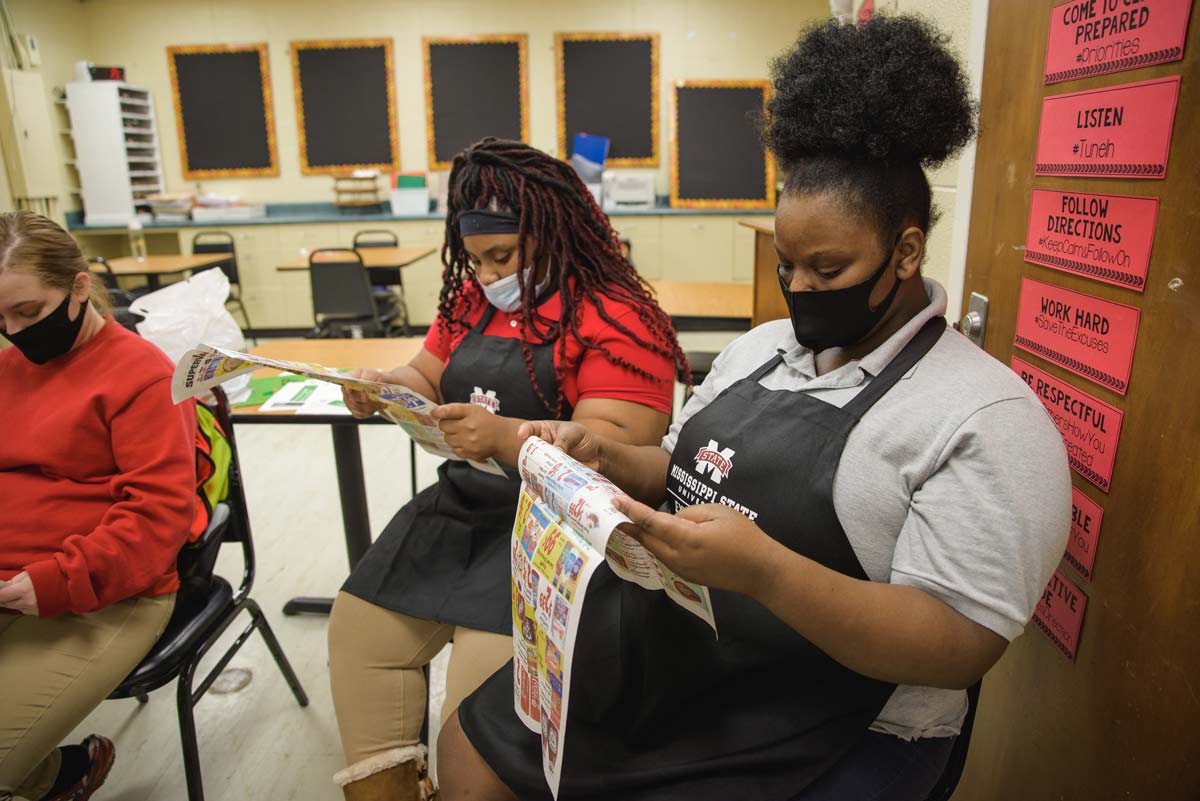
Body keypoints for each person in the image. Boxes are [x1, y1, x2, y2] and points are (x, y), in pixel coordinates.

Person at [439, 17, 1072, 801]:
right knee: (470, 746)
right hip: (689, 647)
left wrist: (767, 572)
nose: (800, 289)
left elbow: (956, 645)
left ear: (906, 252)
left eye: (827, 267)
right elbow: (685, 470)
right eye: (786, 265)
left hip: (832, 714)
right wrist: (605, 456)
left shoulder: (985, 417)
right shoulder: (759, 348)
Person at [327, 139, 688, 800]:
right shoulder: (471, 300)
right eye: (476, 260)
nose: (489, 275)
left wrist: (503, 437)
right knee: (359, 631)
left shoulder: (619, 318)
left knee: (473, 725)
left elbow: (611, 460)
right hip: (464, 510)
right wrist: (386, 384)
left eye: (504, 256)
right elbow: (426, 372)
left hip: (555, 535)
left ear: (557, 234)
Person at [0, 211, 198, 801]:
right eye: (0, 316)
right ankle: (49, 777)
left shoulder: (142, 376)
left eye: (28, 312)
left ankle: (58, 773)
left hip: (103, 596)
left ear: (79, 287)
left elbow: (156, 519)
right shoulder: (8, 368)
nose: (13, 331)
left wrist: (61, 580)